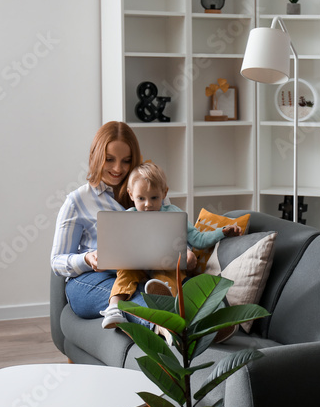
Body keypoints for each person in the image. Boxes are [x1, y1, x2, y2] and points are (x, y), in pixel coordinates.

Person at [101, 161, 242, 328]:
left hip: (167, 265)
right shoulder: (127, 217)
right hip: (137, 265)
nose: (148, 204)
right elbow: (118, 245)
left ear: (164, 192)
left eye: (154, 198)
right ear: (131, 195)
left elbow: (198, 239)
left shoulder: (174, 212)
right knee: (125, 271)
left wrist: (222, 232)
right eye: (141, 198)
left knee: (168, 276)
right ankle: (114, 308)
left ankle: (175, 313)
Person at [50, 121, 155, 329]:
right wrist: (87, 259)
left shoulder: (150, 191)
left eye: (126, 161)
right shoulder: (77, 201)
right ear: (96, 157)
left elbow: (172, 230)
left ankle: (198, 326)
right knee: (132, 294)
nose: (118, 169)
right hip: (92, 280)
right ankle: (163, 325)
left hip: (141, 275)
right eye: (109, 160)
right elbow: (57, 261)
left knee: (159, 288)